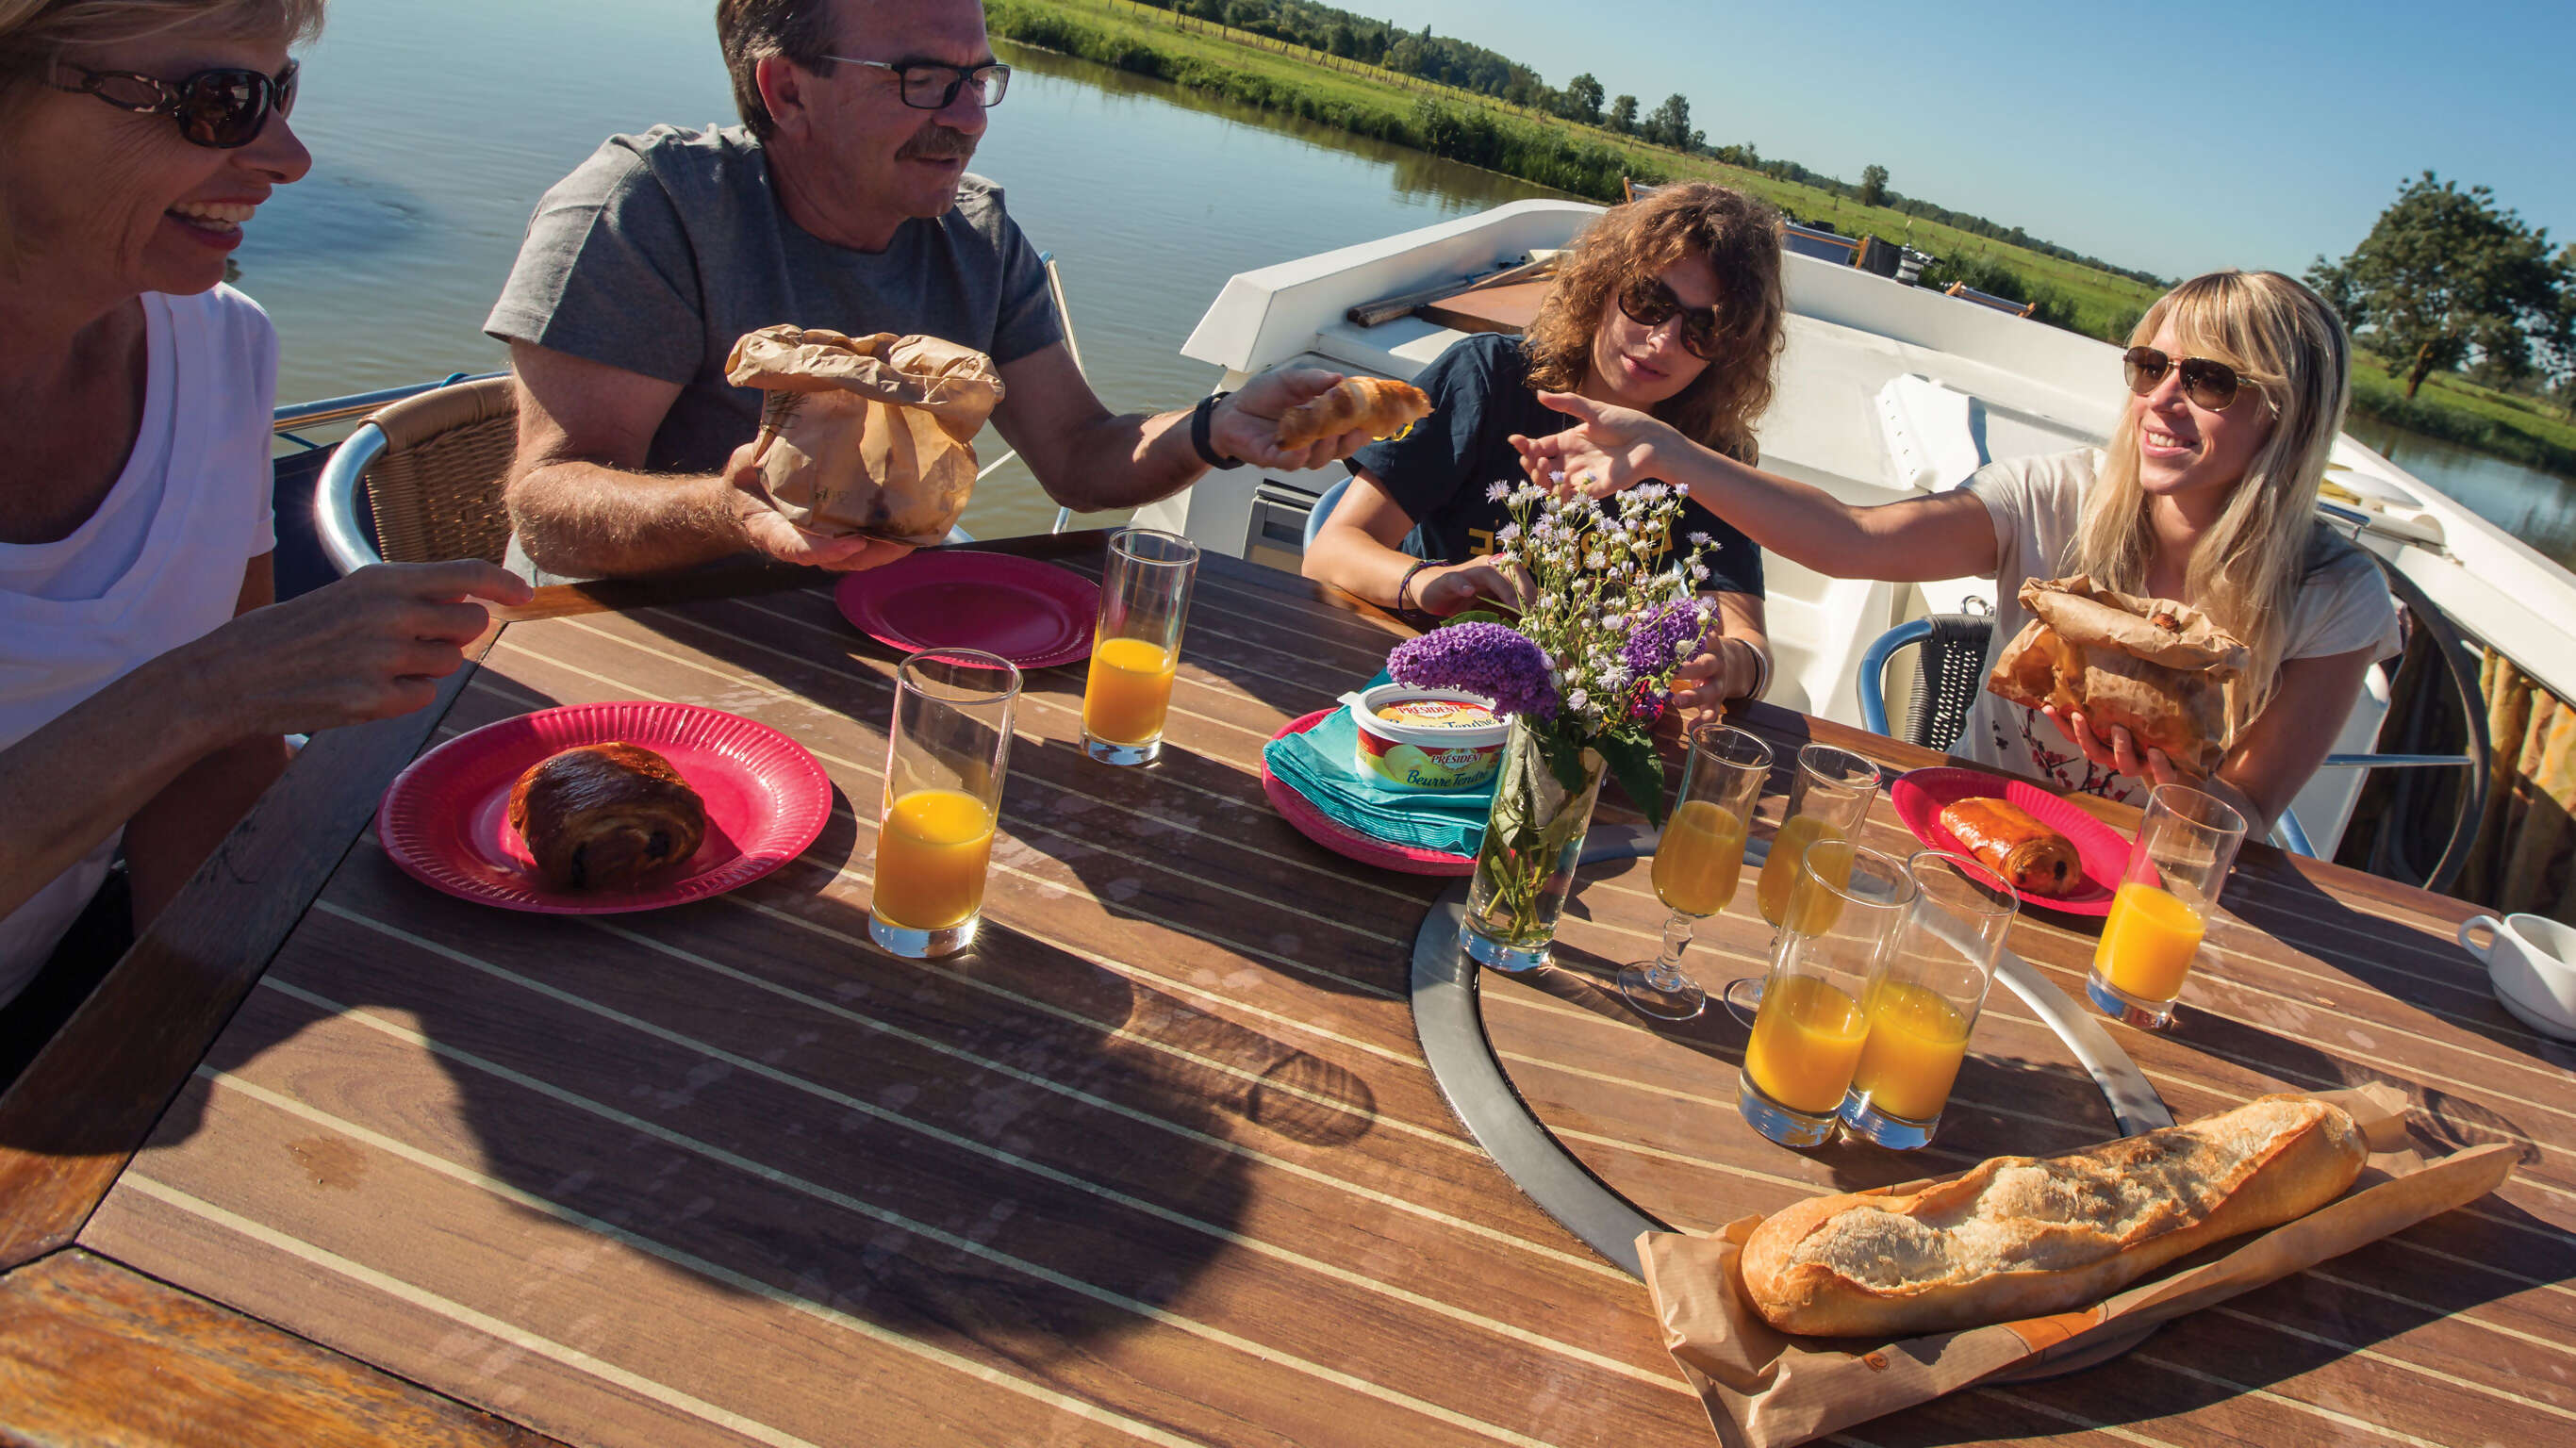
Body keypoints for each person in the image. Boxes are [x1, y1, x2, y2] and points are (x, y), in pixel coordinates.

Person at [0, 0, 531, 1066]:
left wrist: (187, 1057)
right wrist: (209, 687)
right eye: (217, 101)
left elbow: (215, 770)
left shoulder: (218, 349)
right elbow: (219, 704)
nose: (289, 157)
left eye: (279, 89)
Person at [486, 0, 1377, 583]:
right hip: (643, 630)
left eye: (979, 79)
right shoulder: (650, 209)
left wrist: (1216, 427)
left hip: (875, 620)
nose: (971, 118)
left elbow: (1076, 454)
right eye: (923, 81)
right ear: (787, 91)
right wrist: (726, 513)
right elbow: (549, 509)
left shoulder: (975, 233)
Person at [1516, 270, 2401, 832]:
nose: (2161, 401)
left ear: (2286, 412)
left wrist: (2176, 790)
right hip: (1972, 830)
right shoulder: (2051, 497)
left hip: (2141, 885)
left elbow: (2243, 815)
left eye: (2207, 381)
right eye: (2148, 367)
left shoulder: (2334, 596)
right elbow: (1850, 539)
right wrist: (1672, 454)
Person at [1301, 182, 1780, 716]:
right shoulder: (1487, 379)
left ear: (1730, 351)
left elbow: (1751, 644)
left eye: (1704, 328)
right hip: (1427, 691)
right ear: (1603, 285)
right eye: (1649, 301)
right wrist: (1430, 581)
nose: (1662, 340)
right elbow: (1331, 552)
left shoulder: (1709, 454)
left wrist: (1729, 664)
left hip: (1572, 718)